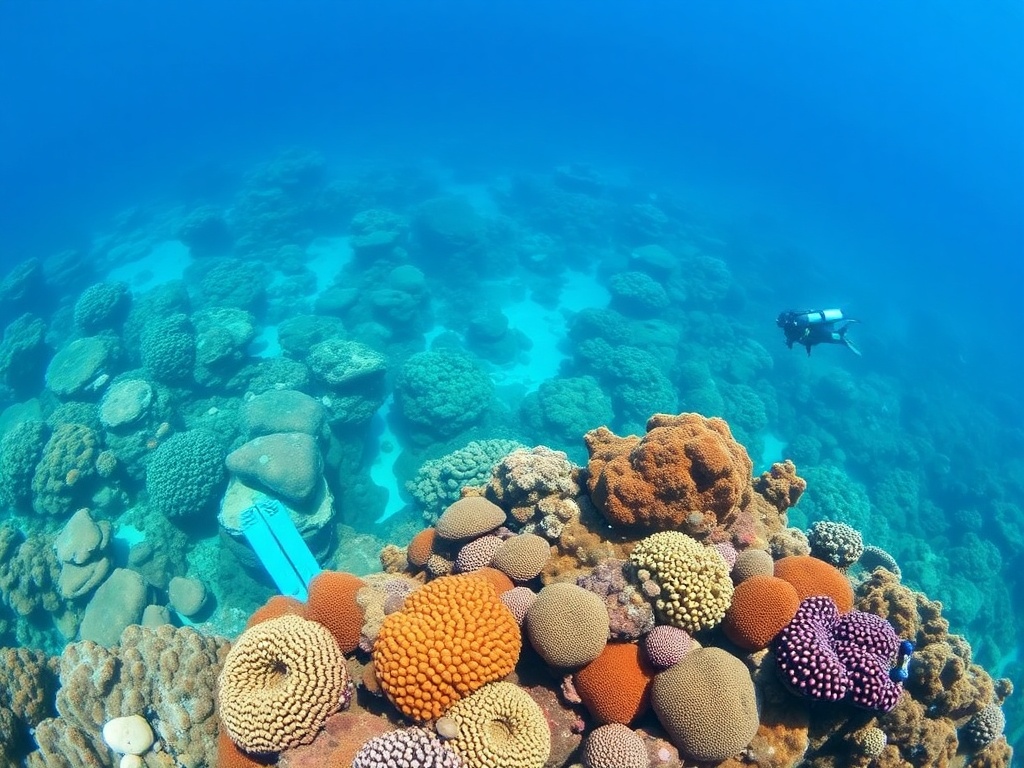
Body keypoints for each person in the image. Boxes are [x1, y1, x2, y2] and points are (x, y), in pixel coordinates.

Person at [776, 308, 861, 356]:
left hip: (815, 334)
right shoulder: (795, 321)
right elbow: (795, 338)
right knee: (830, 336)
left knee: (830, 337)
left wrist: (790, 343)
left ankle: (844, 334)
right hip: (815, 331)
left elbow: (795, 337)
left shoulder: (793, 325)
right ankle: (845, 330)